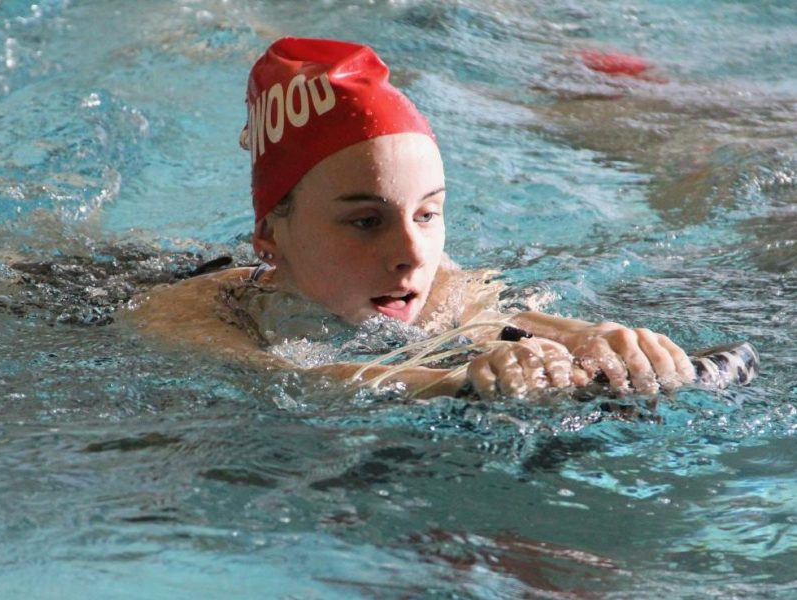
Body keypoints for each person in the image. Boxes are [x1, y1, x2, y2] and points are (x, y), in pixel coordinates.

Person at [129, 37, 695, 399]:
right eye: (365, 222)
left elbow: (497, 319)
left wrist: (600, 338)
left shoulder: (440, 281)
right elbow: (291, 379)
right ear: (270, 236)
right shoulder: (186, 311)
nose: (413, 254)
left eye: (427, 214)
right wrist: (449, 382)